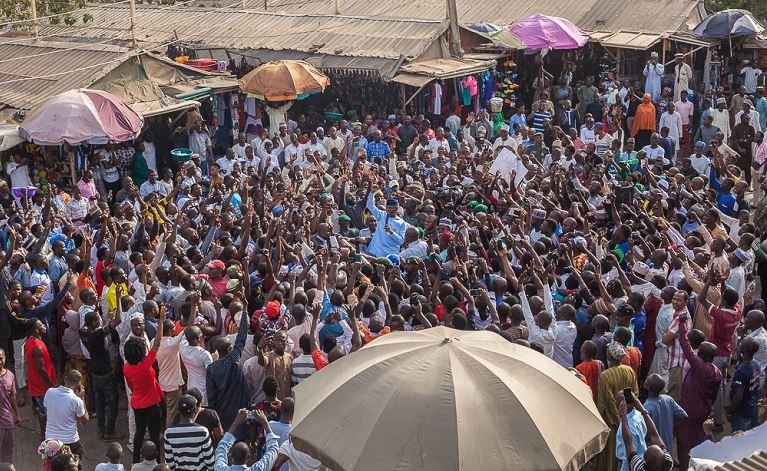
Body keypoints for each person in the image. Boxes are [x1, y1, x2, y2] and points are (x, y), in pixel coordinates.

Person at [123, 307, 166, 464]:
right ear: (142, 351)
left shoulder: (126, 367)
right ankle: (158, 461)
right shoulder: (146, 365)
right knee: (154, 435)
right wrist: (161, 320)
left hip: (137, 404)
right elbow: (157, 343)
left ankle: (136, 461)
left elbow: (131, 387)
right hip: (152, 405)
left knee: (139, 433)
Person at [615, 390, 673, 471]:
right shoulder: (668, 464)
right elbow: (654, 435)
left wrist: (623, 416)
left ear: (645, 462)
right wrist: (641, 409)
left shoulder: (639, 468)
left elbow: (628, 443)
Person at [43, 370, 89, 462]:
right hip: (70, 442)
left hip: (50, 440)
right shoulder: (76, 401)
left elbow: (46, 411)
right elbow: (85, 420)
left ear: (65, 379)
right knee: (73, 466)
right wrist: (82, 398)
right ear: (78, 386)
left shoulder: (49, 392)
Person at [214, 408, 279, 471]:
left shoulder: (220, 468)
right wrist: (265, 423)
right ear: (249, 457)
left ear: (230, 457)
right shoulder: (258, 469)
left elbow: (221, 448)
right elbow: (273, 449)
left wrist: (236, 423)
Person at [164, 394, 215, 470]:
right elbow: (210, 463)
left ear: (178, 411)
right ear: (195, 410)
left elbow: (169, 463)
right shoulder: (203, 432)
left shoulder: (168, 433)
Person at [642, 374, 686, 457]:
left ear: (648, 386)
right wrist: (672, 428)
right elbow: (683, 416)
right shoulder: (668, 399)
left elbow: (644, 432)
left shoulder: (646, 408)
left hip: (654, 451)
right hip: (668, 447)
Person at [727, 337, 761, 432]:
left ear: (743, 351)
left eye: (740, 345)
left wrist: (730, 410)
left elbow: (738, 397)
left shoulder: (741, 372)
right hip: (752, 407)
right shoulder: (756, 365)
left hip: (742, 412)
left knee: (739, 439)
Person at [0, 349, 19, 464]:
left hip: (7, 420)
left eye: (1, 358)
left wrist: (17, 415)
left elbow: (13, 397)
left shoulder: (10, 376)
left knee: (8, 450)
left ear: (5, 358)